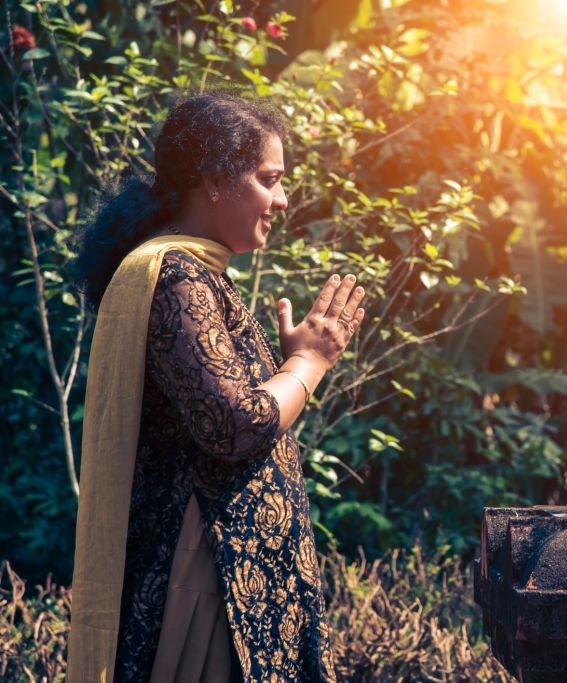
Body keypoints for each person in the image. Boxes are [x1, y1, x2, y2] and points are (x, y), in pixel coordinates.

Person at [67, 92, 364, 682]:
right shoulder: (177, 276)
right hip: (206, 579)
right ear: (213, 181)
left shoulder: (198, 275)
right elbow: (235, 424)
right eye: (268, 179)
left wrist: (290, 366)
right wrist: (308, 364)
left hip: (226, 570)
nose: (281, 199)